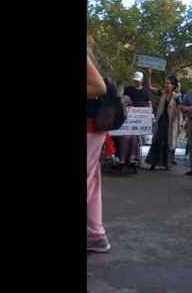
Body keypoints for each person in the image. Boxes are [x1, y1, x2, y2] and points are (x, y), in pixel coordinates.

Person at [86, 54, 111, 253]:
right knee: (91, 182)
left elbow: (99, 87)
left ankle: (96, 235)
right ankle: (96, 235)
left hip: (89, 128)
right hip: (92, 128)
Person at [145, 69, 181, 170]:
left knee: (169, 141)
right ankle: (154, 162)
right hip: (161, 120)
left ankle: (167, 163)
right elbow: (150, 87)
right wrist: (149, 75)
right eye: (165, 83)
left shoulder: (177, 96)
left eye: (168, 83)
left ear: (173, 85)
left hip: (170, 121)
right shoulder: (162, 93)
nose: (166, 85)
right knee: (157, 139)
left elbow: (179, 109)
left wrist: (174, 120)